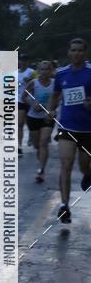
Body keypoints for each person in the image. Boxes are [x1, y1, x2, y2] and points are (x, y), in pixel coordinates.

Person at [48, 38, 91, 223]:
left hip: (88, 129)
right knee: (66, 164)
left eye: (80, 50)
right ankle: (64, 206)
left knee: (84, 166)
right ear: (68, 52)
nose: (76, 53)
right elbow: (56, 94)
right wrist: (51, 109)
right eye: (73, 50)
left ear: (85, 53)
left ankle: (88, 174)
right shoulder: (61, 74)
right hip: (66, 126)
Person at [24, 60, 55, 183]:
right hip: (33, 117)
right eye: (42, 69)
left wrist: (53, 109)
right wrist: (32, 104)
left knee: (43, 143)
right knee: (38, 146)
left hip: (47, 118)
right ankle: (41, 161)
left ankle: (41, 170)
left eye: (47, 69)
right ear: (38, 71)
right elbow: (24, 96)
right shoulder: (33, 82)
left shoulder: (55, 83)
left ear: (51, 71)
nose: (44, 72)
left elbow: (59, 97)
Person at [17, 54, 35, 155]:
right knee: (19, 124)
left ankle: (31, 136)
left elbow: (39, 81)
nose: (23, 62)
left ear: (27, 62)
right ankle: (19, 146)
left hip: (30, 100)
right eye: (21, 60)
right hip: (20, 100)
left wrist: (31, 80)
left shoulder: (32, 72)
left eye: (25, 60)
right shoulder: (15, 73)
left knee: (30, 123)